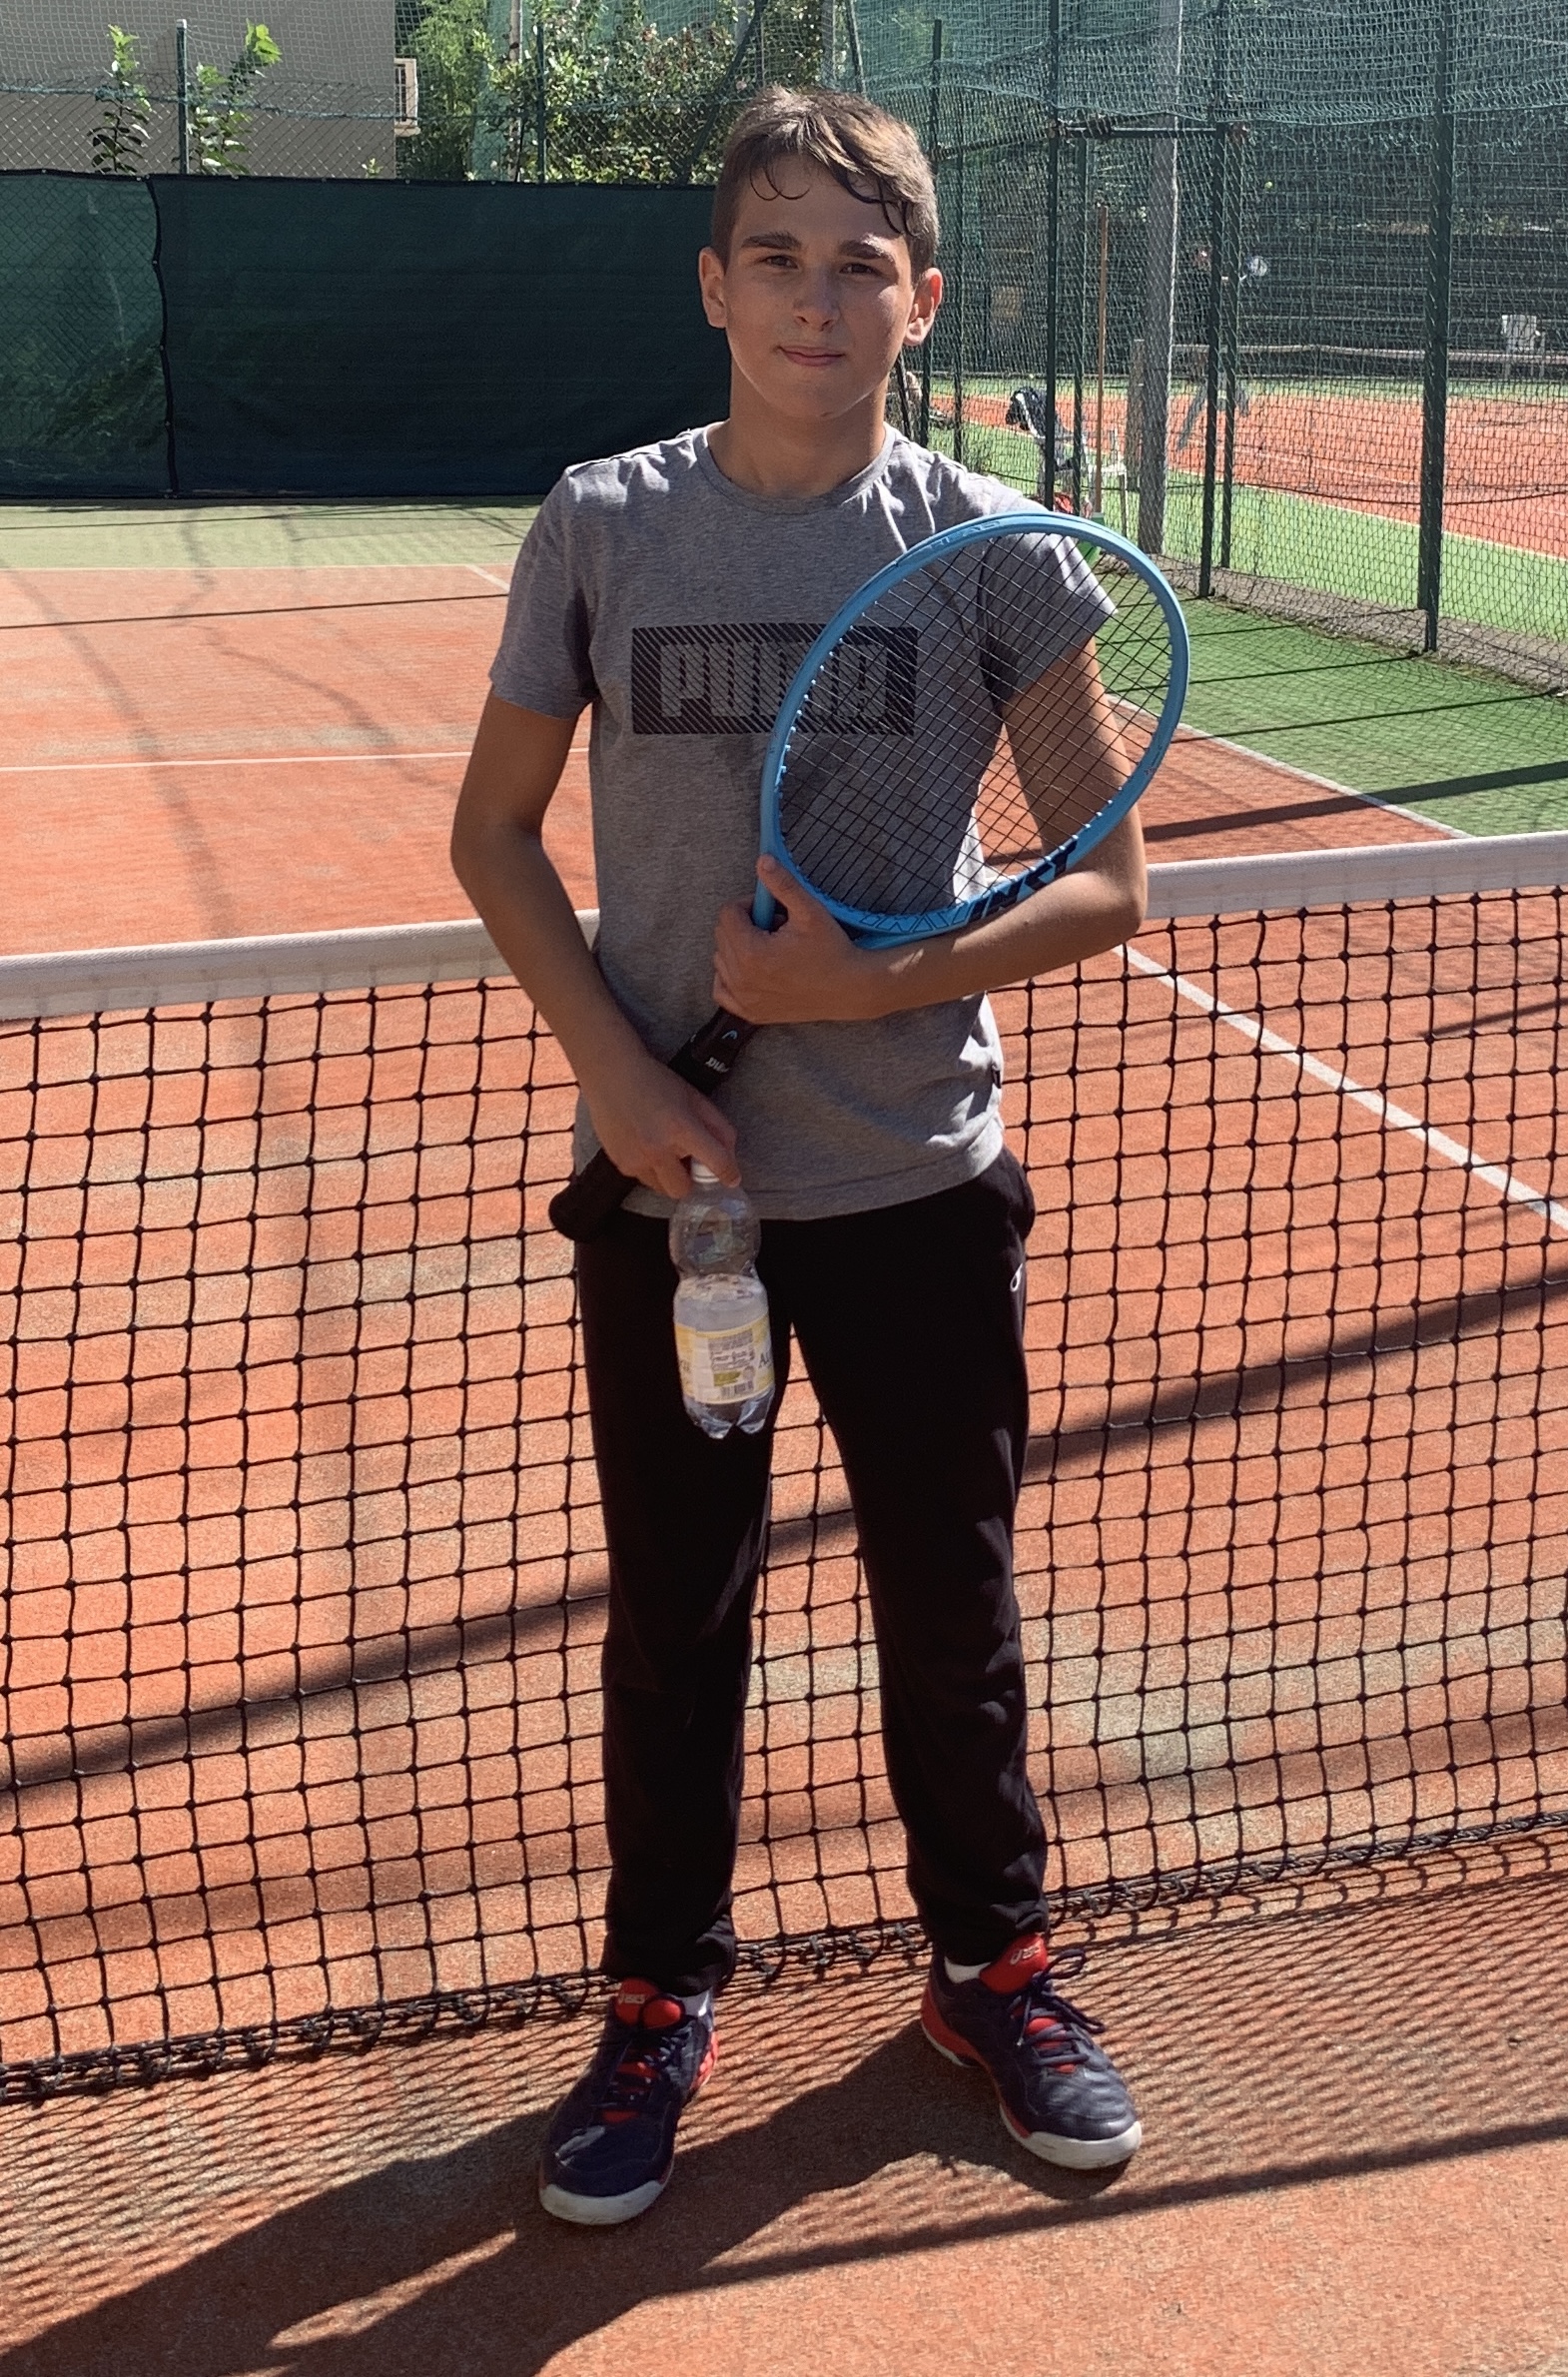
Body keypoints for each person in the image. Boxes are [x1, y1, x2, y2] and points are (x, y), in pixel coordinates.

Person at [450, 84, 1147, 2230]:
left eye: (860, 263)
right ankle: (657, 1994)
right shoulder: (602, 524)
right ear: (711, 285)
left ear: (921, 299)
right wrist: (616, 1077)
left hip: (915, 1184)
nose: (815, 299)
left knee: (949, 1603)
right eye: (776, 255)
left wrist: (858, 992)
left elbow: (1104, 881)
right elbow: (492, 836)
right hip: (676, 1205)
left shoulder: (995, 545)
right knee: (676, 1623)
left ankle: (988, 1970)